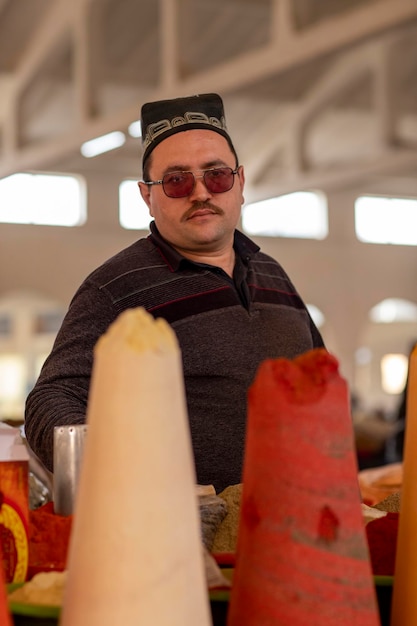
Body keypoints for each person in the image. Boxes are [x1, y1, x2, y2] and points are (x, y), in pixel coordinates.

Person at [24, 93, 325, 493]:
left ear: (240, 182)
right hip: (185, 538)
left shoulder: (274, 275)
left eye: (216, 175)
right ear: (148, 196)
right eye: (177, 181)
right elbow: (52, 400)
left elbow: (320, 384)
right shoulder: (115, 288)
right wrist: (119, 485)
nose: (201, 192)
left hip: (295, 524)